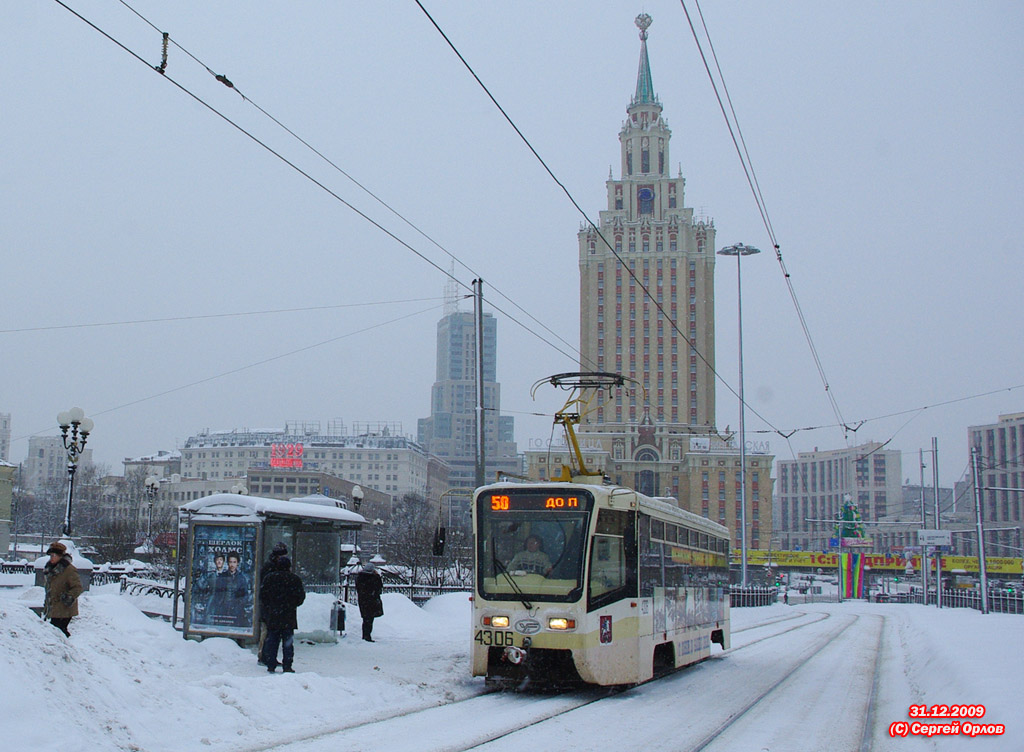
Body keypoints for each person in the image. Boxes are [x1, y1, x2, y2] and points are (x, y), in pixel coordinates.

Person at [259, 556, 305, 673]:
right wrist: (291, 604)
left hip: (274, 616)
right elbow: (300, 597)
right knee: (288, 643)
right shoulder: (294, 579)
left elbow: (263, 596)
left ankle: (271, 664)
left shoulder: (269, 578)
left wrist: (271, 606)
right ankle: (287, 665)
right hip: (288, 616)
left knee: (272, 641)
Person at [42, 541, 84, 637]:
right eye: (50, 556)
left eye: (54, 555)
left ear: (60, 556)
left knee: (59, 632)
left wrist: (67, 597)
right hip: (53, 608)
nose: (51, 558)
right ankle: (64, 646)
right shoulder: (50, 569)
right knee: (56, 632)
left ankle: (66, 648)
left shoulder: (69, 569)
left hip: (64, 609)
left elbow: (77, 587)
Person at [258, 542, 288, 664]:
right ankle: (264, 656)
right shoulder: (271, 568)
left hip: (271, 606)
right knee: (267, 632)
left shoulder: (268, 567)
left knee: (269, 632)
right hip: (272, 606)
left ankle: (267, 656)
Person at [207, 551, 250, 628]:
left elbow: (245, 595)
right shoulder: (222, 577)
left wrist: (238, 605)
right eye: (230, 562)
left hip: (237, 613)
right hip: (223, 612)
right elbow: (217, 594)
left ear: (238, 563)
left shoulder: (241, 579)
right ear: (227, 563)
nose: (232, 565)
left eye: (234, 562)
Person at [355, 561, 383, 642]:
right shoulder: (374, 578)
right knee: (369, 620)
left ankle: (365, 635)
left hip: (363, 601)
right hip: (371, 601)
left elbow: (359, 589)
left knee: (366, 619)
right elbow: (378, 588)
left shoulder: (360, 577)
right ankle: (367, 636)